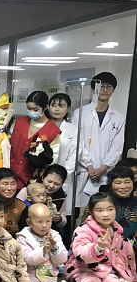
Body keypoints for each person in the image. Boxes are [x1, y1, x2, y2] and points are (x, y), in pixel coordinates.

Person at [74, 72, 126, 209]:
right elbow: (77, 143)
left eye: (109, 86)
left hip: (106, 172)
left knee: (104, 208)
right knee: (81, 211)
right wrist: (89, 166)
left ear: (113, 90)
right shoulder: (79, 113)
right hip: (83, 170)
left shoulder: (118, 117)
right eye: (101, 86)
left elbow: (117, 147)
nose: (105, 90)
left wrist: (104, 167)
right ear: (94, 89)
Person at [9, 91, 61, 189]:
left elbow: (52, 160)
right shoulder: (18, 122)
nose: (32, 111)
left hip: (33, 181)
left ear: (45, 108)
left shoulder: (53, 131)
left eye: (35, 109)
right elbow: (7, 145)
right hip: (10, 175)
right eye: (29, 108)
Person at [47, 93, 77, 237]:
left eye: (61, 106)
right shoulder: (42, 125)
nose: (57, 109)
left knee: (60, 217)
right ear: (48, 107)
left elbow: (74, 155)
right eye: (53, 105)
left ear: (68, 109)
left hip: (63, 178)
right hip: (43, 177)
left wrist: (61, 175)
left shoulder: (72, 129)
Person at [81, 165, 137, 241]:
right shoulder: (99, 201)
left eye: (127, 182)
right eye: (118, 183)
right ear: (110, 184)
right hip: (100, 243)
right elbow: (84, 225)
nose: (123, 186)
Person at [17, 165, 68, 234]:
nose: (51, 186)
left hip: (48, 230)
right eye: (49, 181)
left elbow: (63, 222)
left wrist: (59, 219)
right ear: (43, 177)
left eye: (56, 184)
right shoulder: (28, 190)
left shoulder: (60, 197)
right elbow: (16, 210)